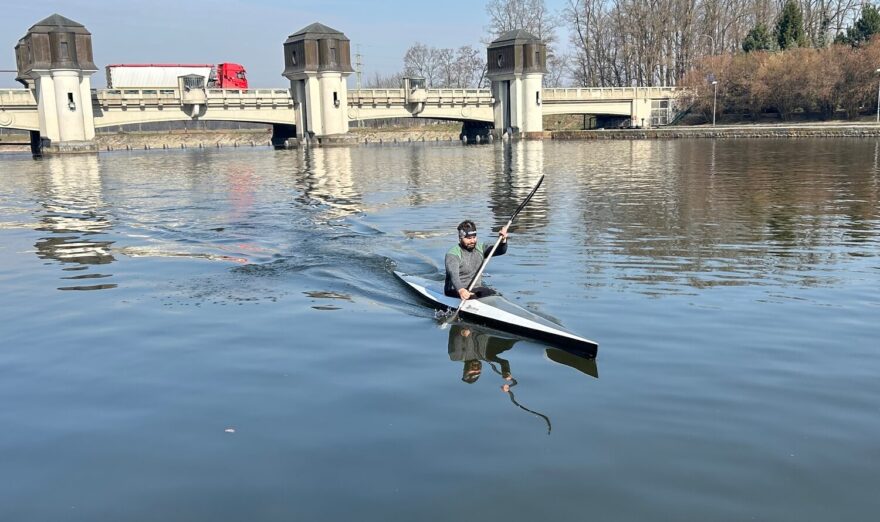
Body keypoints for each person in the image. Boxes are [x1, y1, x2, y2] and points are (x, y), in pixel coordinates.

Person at [444, 220, 509, 300]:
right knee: (474, 296)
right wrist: (461, 290)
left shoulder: (480, 248)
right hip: (455, 290)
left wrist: (503, 240)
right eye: (468, 238)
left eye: (474, 237)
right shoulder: (453, 254)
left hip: (476, 288)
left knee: (494, 294)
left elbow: (501, 251)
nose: (472, 241)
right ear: (460, 238)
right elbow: (453, 275)